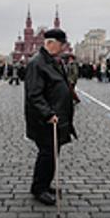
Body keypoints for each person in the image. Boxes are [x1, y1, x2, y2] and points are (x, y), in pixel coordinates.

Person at [25, 29, 76, 206]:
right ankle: (39, 189)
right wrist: (48, 114)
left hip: (56, 118)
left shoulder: (53, 61)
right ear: (50, 43)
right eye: (61, 45)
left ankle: (44, 184)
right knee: (47, 154)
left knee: (53, 153)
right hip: (45, 120)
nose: (63, 48)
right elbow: (34, 94)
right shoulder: (37, 63)